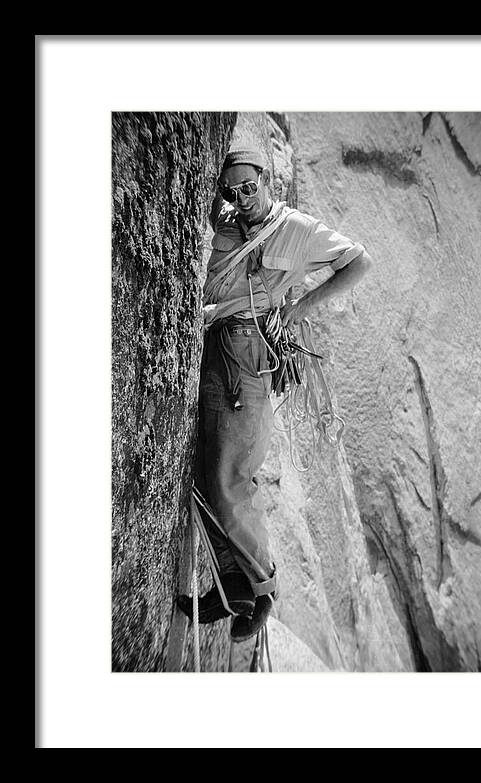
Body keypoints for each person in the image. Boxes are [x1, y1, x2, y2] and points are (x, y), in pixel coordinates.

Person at [177, 145, 372, 642]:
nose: (242, 198)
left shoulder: (297, 229)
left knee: (233, 475)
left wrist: (301, 307)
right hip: (217, 342)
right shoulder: (226, 222)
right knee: (206, 467)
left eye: (250, 187)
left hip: (247, 352)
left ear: (269, 181)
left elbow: (358, 262)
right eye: (233, 191)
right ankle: (232, 587)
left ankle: (261, 590)